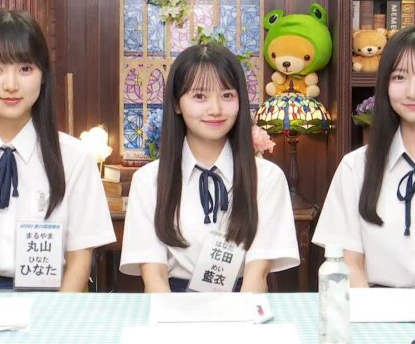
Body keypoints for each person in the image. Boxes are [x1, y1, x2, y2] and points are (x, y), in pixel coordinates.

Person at [120, 44, 299, 292]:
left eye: (227, 96)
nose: (215, 110)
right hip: (172, 303)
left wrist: (237, 315)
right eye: (199, 96)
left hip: (242, 301)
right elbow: (154, 279)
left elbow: (256, 278)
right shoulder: (148, 180)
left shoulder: (267, 178)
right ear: (176, 104)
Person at [0, 9, 116, 291]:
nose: (11, 85)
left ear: (43, 75)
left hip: (49, 301)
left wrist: (57, 314)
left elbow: (80, 257)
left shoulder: (74, 157)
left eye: (25, 69)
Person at [313, 26, 415, 288]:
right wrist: (368, 311)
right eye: (399, 77)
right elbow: (350, 264)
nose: (411, 92)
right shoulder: (355, 166)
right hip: (376, 307)